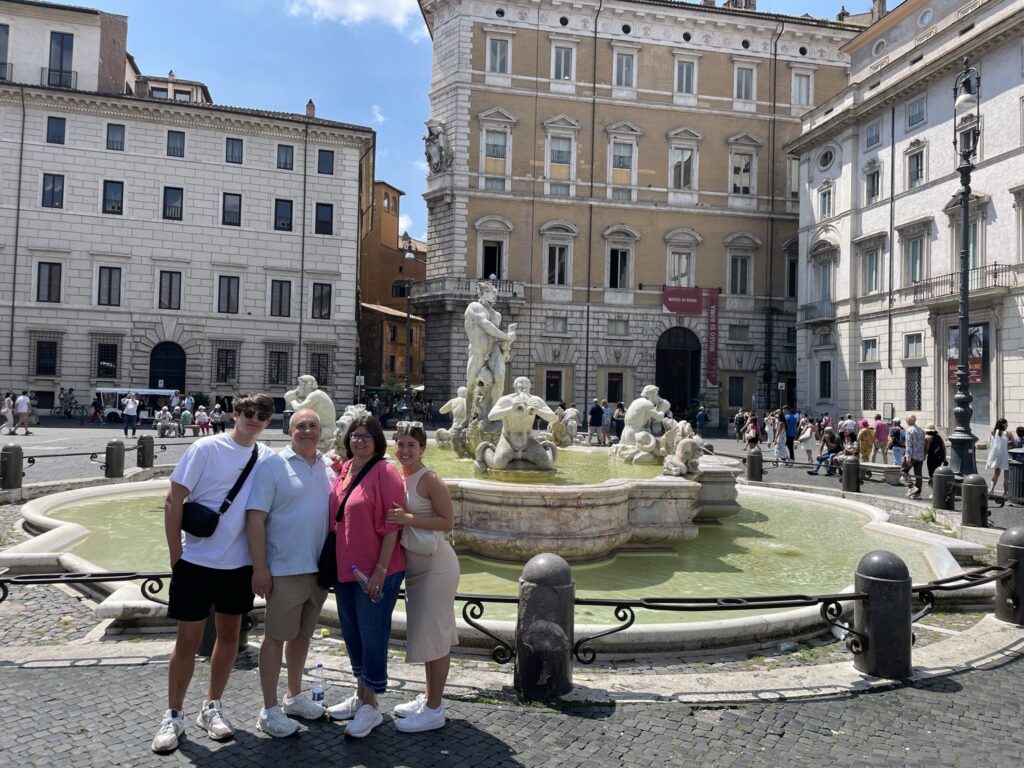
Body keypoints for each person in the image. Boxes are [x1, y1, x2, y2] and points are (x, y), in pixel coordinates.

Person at [151, 392, 275, 754]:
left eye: (262, 415)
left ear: (268, 421)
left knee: (229, 637)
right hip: (195, 562)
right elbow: (173, 499)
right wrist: (176, 556)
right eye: (248, 412)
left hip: (238, 566)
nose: (254, 419)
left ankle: (212, 705)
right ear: (235, 413)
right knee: (187, 641)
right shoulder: (206, 448)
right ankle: (174, 714)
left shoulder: (266, 457)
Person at [245, 409, 336, 737]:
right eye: (301, 426)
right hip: (285, 568)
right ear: (289, 431)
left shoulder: (328, 467)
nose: (307, 431)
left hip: (318, 570)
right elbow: (255, 519)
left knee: (301, 637)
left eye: (313, 426)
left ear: (321, 432)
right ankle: (269, 710)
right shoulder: (272, 465)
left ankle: (293, 696)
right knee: (274, 638)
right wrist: (260, 567)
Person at [324, 415, 406, 738]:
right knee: (353, 633)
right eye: (355, 435)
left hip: (375, 572)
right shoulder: (346, 469)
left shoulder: (385, 471)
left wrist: (380, 571)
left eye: (367, 436)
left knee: (372, 635)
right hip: (345, 569)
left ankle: (371, 706)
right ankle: (360, 695)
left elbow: (393, 524)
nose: (360, 440)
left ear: (377, 441)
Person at [385, 422, 459, 733]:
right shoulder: (400, 476)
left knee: (436, 638)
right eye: (400, 444)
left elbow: (447, 522)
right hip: (416, 567)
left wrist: (407, 518)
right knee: (429, 636)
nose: (404, 450)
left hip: (436, 566)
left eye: (411, 445)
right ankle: (429, 697)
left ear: (423, 448)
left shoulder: (429, 478)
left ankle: (434, 710)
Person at [462, 281, 516, 429]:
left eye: (492, 292)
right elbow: (485, 325)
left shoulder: (497, 315)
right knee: (471, 384)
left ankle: (494, 415)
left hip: (493, 351)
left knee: (499, 378)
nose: (489, 295)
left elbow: (495, 337)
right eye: (486, 291)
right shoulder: (474, 307)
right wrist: (506, 336)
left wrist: (506, 348)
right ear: (480, 294)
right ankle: (467, 418)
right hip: (477, 352)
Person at [986, 418, 1010, 494]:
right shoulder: (1008, 433)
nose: (1007, 425)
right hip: (1006, 455)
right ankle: (1005, 492)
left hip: (996, 455)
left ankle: (992, 490)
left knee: (996, 473)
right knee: (1006, 476)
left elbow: (992, 443)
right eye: (1006, 424)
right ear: (1003, 424)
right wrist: (1008, 443)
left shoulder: (992, 432)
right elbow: (1014, 444)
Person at [904, 415, 926, 499]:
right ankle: (917, 494)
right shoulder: (921, 430)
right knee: (918, 475)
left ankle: (911, 486)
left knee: (903, 470)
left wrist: (908, 457)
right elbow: (923, 443)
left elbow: (909, 445)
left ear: (908, 421)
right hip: (920, 455)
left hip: (912, 455)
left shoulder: (909, 430)